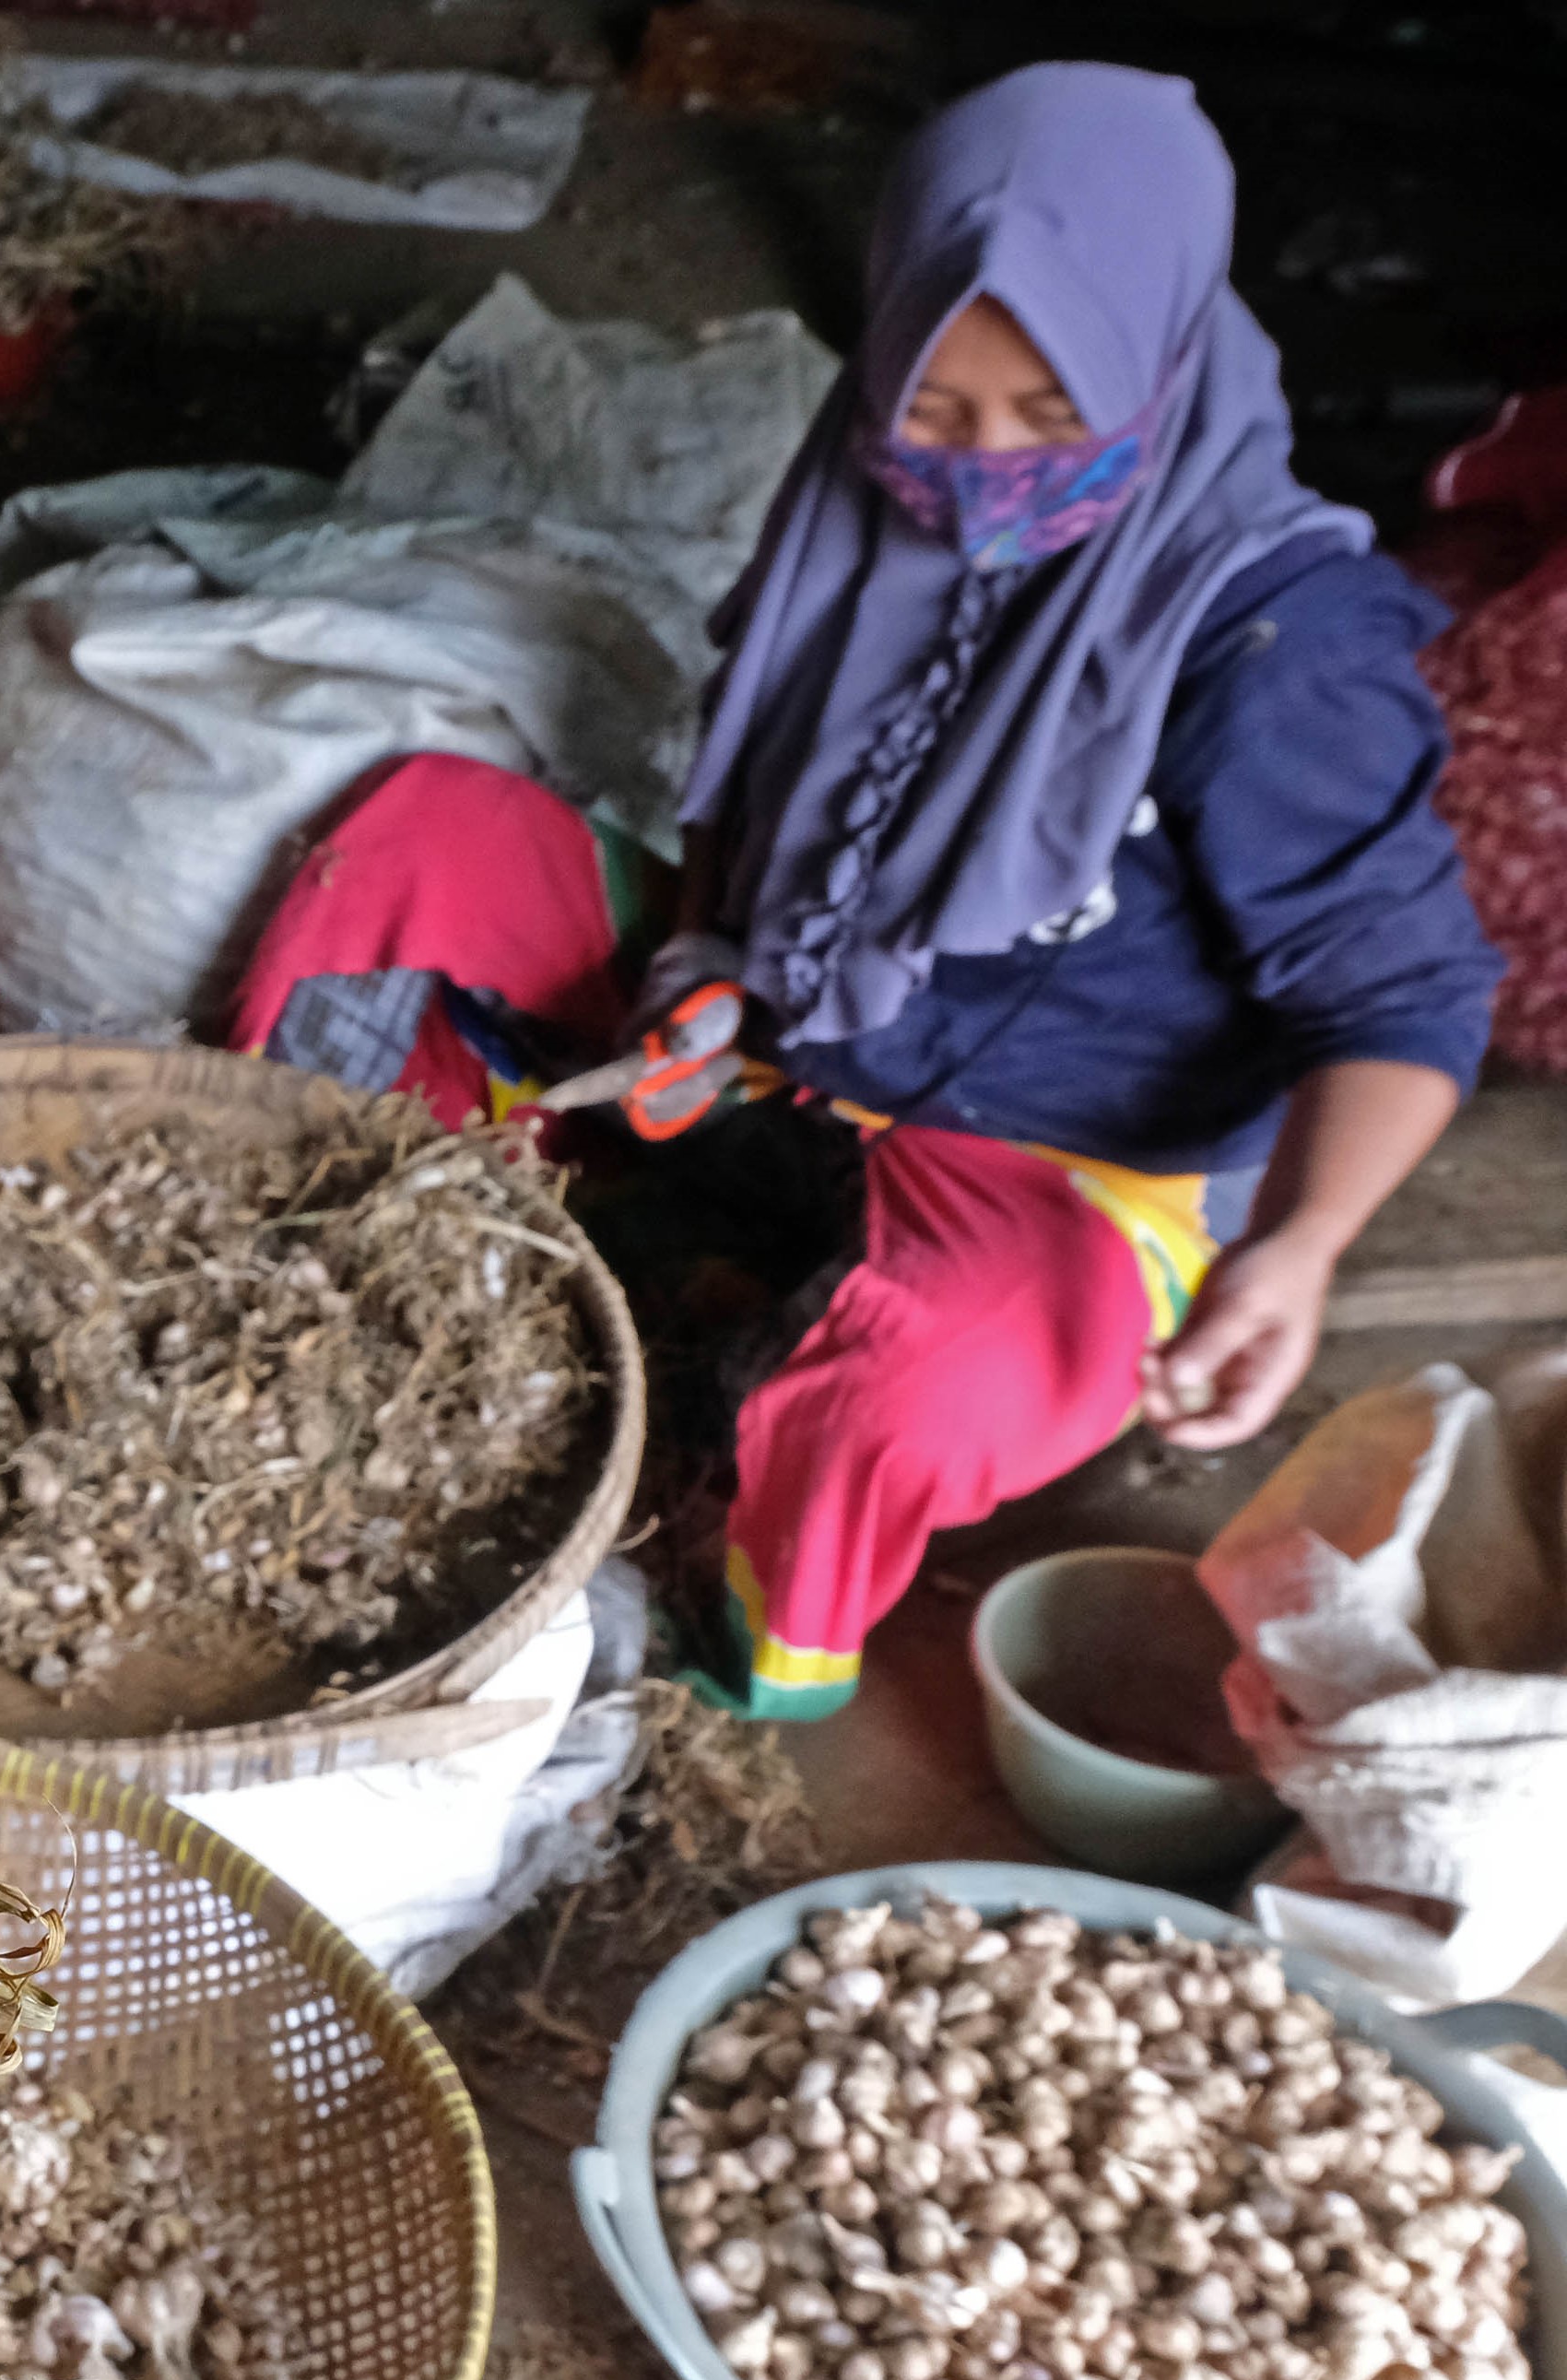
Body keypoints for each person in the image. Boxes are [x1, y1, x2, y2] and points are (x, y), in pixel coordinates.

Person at [228, 62, 1502, 1721]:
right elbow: (760, 801)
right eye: (937, 412)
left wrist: (1305, 1247)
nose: (982, 475)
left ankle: (718, 1666)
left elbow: (1401, 1002)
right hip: (794, 1027)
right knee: (422, 844)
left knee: (894, 1392)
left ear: (1161, 362)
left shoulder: (1272, 651)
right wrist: (707, 962)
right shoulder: (855, 496)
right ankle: (344, 1241)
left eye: (1054, 422)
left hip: (1062, 1153)